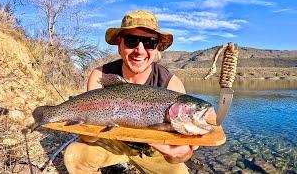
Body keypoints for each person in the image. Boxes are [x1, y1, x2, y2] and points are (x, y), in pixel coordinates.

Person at [64, 10, 215, 174]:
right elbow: (89, 137)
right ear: (119, 45)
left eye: (149, 42)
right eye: (131, 40)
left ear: (157, 47)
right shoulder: (101, 76)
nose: (140, 50)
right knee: (74, 156)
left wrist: (181, 153)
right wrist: (88, 130)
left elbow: (178, 156)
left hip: (154, 149)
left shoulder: (172, 84)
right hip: (111, 140)